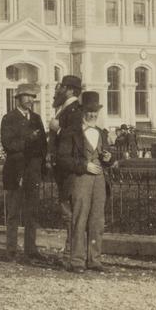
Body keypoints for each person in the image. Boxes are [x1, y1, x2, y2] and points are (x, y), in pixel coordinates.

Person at [57, 91, 114, 273]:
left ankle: (94, 259)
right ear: (82, 112)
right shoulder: (69, 133)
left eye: (95, 111)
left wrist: (108, 157)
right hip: (80, 178)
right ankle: (77, 261)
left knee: (97, 220)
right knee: (79, 219)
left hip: (99, 180)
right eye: (89, 111)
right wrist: (84, 166)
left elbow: (108, 158)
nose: (93, 114)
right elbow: (63, 159)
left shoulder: (100, 133)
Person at [0, 83, 47, 263]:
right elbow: (8, 144)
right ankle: (11, 250)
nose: (30, 100)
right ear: (18, 98)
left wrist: (42, 166)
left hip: (33, 171)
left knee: (31, 212)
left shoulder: (36, 118)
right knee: (13, 212)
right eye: (26, 96)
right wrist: (28, 139)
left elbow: (43, 145)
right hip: (16, 171)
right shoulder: (9, 118)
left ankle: (31, 250)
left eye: (32, 97)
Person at [47, 74, 83, 267]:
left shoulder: (75, 110)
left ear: (69, 90)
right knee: (67, 210)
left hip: (68, 167)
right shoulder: (64, 108)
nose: (57, 90)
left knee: (69, 211)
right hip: (61, 167)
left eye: (60, 87)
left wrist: (58, 129)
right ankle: (70, 253)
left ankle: (71, 254)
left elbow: (77, 135)